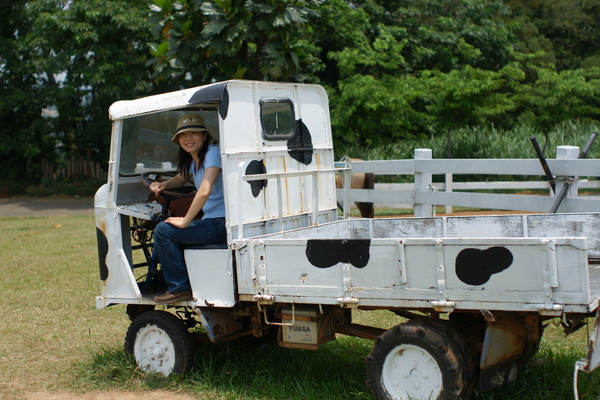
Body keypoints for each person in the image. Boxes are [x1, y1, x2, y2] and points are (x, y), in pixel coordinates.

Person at [149, 114, 226, 304]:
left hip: (221, 223)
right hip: (213, 222)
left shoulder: (212, 153)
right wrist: (163, 185)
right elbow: (182, 178)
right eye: (183, 135)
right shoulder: (194, 160)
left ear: (204, 135)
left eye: (194, 133)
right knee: (168, 230)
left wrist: (184, 221)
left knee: (163, 231)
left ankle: (179, 287)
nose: (188, 138)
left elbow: (204, 192)